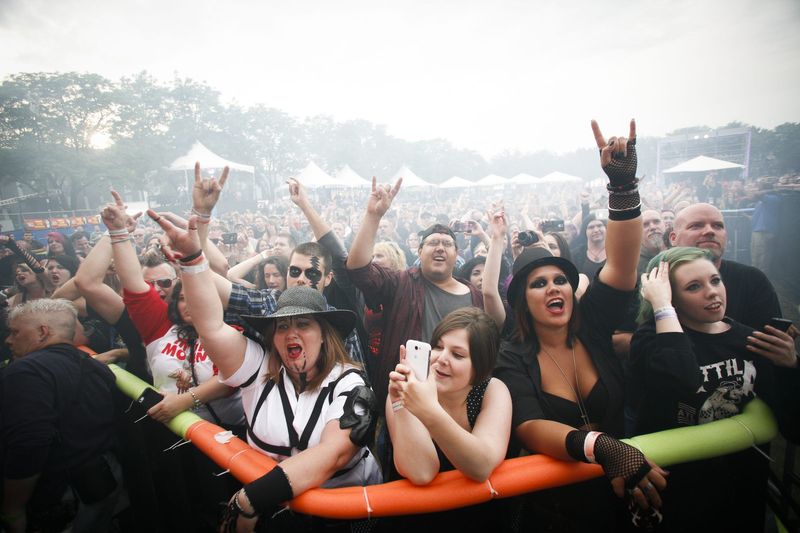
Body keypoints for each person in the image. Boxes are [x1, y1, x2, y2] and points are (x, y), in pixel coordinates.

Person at [153, 210, 382, 531]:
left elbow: (334, 454)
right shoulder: (259, 369)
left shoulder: (348, 380)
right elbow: (210, 327)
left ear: (325, 333)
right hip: (276, 518)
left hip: (342, 519)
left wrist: (251, 499)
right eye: (282, 326)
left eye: (304, 324)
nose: (291, 333)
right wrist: (191, 260)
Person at [494, 119, 667, 531]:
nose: (554, 287)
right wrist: (603, 448)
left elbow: (622, 266)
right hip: (556, 509)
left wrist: (622, 188)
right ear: (521, 301)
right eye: (539, 283)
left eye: (560, 280)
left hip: (624, 497)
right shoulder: (511, 355)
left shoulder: (592, 323)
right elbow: (530, 426)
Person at [630, 247, 800, 531]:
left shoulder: (751, 340)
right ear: (670, 296)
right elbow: (683, 380)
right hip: (676, 488)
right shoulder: (650, 339)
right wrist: (662, 307)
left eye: (715, 280)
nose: (712, 292)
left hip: (740, 487)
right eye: (693, 286)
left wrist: (790, 367)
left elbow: (794, 428)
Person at [346, 177, 487, 407]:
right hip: (404, 399)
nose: (440, 248)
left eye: (447, 244)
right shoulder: (400, 283)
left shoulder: (474, 296)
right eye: (432, 243)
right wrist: (373, 216)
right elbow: (359, 270)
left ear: (456, 254)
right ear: (419, 252)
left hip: (458, 403)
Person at [384, 308, 512, 529]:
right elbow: (421, 472)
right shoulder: (406, 389)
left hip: (479, 519)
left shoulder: (492, 390)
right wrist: (400, 403)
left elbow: (481, 467)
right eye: (438, 347)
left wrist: (429, 410)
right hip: (417, 520)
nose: (441, 359)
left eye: (458, 355)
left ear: (480, 366)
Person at [1, 299, 121, 533]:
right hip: (102, 484)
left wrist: (13, 508)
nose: (8, 340)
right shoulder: (97, 368)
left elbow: (28, 445)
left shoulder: (26, 372)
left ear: (42, 332)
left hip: (58, 497)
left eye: (15, 332)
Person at [669, 203, 786, 335]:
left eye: (718, 226)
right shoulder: (659, 282)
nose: (710, 231)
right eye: (696, 225)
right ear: (673, 238)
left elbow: (770, 342)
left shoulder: (753, 280)